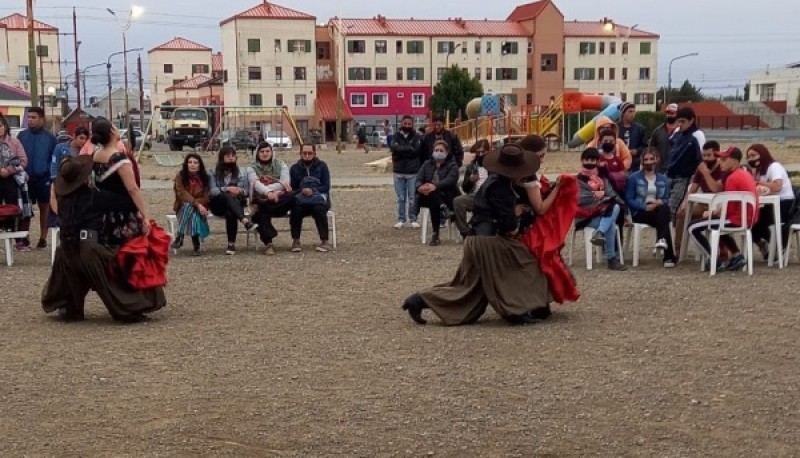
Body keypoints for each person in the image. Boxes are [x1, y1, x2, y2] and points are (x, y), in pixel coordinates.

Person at [401, 144, 550, 326]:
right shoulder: (502, 190)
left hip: (476, 240)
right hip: (488, 242)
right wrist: (519, 215)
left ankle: (419, 300)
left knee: (469, 288)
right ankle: (516, 308)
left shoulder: (492, 182)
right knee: (526, 261)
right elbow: (510, 227)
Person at [42, 155, 165, 323]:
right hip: (90, 248)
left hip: (68, 249)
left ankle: (71, 308)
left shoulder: (64, 200)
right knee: (119, 264)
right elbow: (128, 202)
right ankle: (127, 309)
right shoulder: (94, 196)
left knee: (68, 263)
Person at [516, 134, 580, 308]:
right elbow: (541, 208)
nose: (543, 160)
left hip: (522, 222)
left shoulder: (518, 170)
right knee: (546, 261)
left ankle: (540, 300)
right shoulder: (528, 175)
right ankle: (538, 301)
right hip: (528, 228)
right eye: (541, 155)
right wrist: (558, 188)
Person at [688, 146, 758, 272]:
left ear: (735, 161)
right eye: (721, 158)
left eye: (725, 159)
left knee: (692, 227)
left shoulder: (732, 178)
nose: (720, 161)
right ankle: (737, 255)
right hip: (749, 219)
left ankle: (713, 259)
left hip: (736, 220)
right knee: (716, 223)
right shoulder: (745, 174)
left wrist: (712, 213)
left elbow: (727, 210)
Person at [90, 118, 150, 247]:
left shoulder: (95, 155)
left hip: (101, 211)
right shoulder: (119, 158)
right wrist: (145, 215)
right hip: (121, 213)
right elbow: (133, 189)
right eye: (115, 127)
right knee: (124, 252)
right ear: (112, 131)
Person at [575, 147, 627, 271]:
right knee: (610, 221)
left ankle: (600, 232)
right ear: (582, 160)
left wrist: (603, 194)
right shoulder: (577, 180)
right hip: (586, 216)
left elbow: (615, 197)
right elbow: (581, 199)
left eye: (593, 160)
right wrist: (600, 198)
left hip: (603, 214)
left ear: (598, 162)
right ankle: (611, 259)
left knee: (615, 207)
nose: (589, 162)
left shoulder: (603, 179)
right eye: (587, 159)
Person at [624, 148, 676, 267]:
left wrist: (660, 201)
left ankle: (662, 240)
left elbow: (667, 198)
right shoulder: (633, 178)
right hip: (640, 211)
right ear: (642, 161)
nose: (648, 162)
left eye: (651, 159)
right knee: (664, 218)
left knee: (664, 209)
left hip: (658, 210)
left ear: (657, 160)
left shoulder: (662, 178)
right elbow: (629, 199)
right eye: (646, 159)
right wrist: (644, 206)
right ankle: (668, 256)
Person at [675, 141, 726, 258]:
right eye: (704, 155)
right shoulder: (701, 168)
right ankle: (678, 249)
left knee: (714, 218)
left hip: (719, 205)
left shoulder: (722, 168)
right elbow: (693, 188)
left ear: (716, 155)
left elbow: (716, 189)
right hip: (704, 204)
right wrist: (684, 203)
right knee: (683, 214)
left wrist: (706, 173)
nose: (706, 158)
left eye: (709, 155)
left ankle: (722, 248)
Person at [17, 106, 57, 251]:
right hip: (26, 178)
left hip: (43, 178)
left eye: (34, 117)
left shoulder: (50, 138)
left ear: (41, 119)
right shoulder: (22, 136)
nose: (30, 120)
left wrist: (49, 172)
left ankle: (43, 238)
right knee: (25, 209)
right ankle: (24, 237)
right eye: (29, 117)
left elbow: (54, 158)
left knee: (44, 207)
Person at [746, 143, 795, 259]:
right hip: (768, 203)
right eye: (748, 157)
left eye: (753, 156)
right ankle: (765, 244)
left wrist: (758, 182)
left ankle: (778, 244)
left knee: (757, 220)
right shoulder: (759, 171)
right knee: (748, 219)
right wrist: (753, 175)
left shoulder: (774, 167)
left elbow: (777, 186)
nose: (751, 159)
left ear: (762, 154)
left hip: (784, 203)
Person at [209, 146, 256, 255]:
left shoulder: (242, 172)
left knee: (230, 213)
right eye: (228, 156)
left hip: (236, 203)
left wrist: (240, 190)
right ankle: (244, 221)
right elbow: (212, 191)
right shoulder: (212, 172)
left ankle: (231, 245)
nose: (231, 158)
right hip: (218, 204)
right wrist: (228, 189)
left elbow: (247, 191)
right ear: (222, 158)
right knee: (226, 196)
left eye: (233, 156)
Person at [250, 142, 293, 255]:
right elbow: (255, 184)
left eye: (267, 151)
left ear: (272, 152)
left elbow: (285, 182)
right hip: (262, 200)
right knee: (259, 212)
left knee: (292, 196)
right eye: (262, 151)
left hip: (278, 201)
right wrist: (268, 193)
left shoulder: (281, 164)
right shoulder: (252, 168)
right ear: (257, 153)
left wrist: (275, 193)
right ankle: (269, 244)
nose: (265, 154)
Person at [289, 143, 333, 253]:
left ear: (314, 153)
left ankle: (325, 241)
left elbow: (326, 186)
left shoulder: (322, 166)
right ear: (300, 154)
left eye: (310, 153)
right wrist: (302, 191)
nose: (307, 155)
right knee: (295, 209)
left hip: (318, 199)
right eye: (304, 153)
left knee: (319, 209)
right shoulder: (294, 168)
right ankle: (296, 240)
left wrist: (313, 190)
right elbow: (292, 188)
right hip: (301, 200)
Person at [666, 106, 705, 223]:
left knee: (672, 208)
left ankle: (669, 238)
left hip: (683, 178)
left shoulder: (697, 135)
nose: (679, 124)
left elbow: (701, 158)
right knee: (664, 206)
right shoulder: (677, 133)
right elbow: (670, 150)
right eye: (678, 121)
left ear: (691, 120)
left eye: (682, 121)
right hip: (669, 175)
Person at [416, 140, 459, 246]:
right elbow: (418, 179)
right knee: (431, 195)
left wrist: (435, 186)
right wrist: (420, 187)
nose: (438, 152)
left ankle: (435, 234)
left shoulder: (452, 165)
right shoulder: (426, 164)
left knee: (433, 197)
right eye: (436, 150)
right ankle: (443, 208)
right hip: (426, 195)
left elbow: (451, 180)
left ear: (446, 152)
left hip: (446, 196)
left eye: (441, 150)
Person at [171, 153, 211, 256]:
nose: (192, 165)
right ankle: (196, 245)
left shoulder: (205, 178)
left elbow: (206, 197)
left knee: (191, 210)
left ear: (199, 165)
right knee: (189, 207)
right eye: (190, 162)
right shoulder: (180, 176)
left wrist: (197, 205)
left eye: (195, 162)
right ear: (186, 164)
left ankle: (180, 236)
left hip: (199, 207)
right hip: (182, 207)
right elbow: (182, 194)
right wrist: (197, 204)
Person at [390, 115, 422, 228]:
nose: (407, 126)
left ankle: (413, 218)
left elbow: (417, 151)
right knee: (401, 198)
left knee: (412, 197)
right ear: (401, 123)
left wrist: (401, 150)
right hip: (398, 171)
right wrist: (408, 148)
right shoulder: (396, 136)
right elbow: (393, 148)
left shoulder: (417, 136)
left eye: (409, 124)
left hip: (412, 172)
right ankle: (401, 219)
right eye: (405, 123)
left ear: (412, 124)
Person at [453, 139, 490, 237]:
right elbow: (465, 188)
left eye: (483, 152)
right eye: (478, 152)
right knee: (458, 201)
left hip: (490, 197)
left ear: (488, 152)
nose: (481, 154)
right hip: (475, 196)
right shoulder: (471, 167)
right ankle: (465, 232)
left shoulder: (494, 166)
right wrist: (470, 181)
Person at [0, 114, 30, 232]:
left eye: (1, 125)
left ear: (6, 126)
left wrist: (8, 171)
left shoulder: (14, 142)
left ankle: (11, 230)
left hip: (11, 179)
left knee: (12, 206)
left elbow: (23, 161)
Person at [617, 102, 647, 171]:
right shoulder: (615, 128)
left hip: (635, 164)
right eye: (630, 111)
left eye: (634, 111)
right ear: (623, 113)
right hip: (618, 164)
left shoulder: (640, 129)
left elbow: (645, 146)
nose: (633, 114)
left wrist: (637, 151)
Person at [650, 103, 679, 172]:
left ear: (677, 114)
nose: (669, 115)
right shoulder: (657, 131)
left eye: (672, 113)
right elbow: (651, 148)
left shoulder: (681, 131)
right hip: (659, 169)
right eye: (668, 113)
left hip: (676, 169)